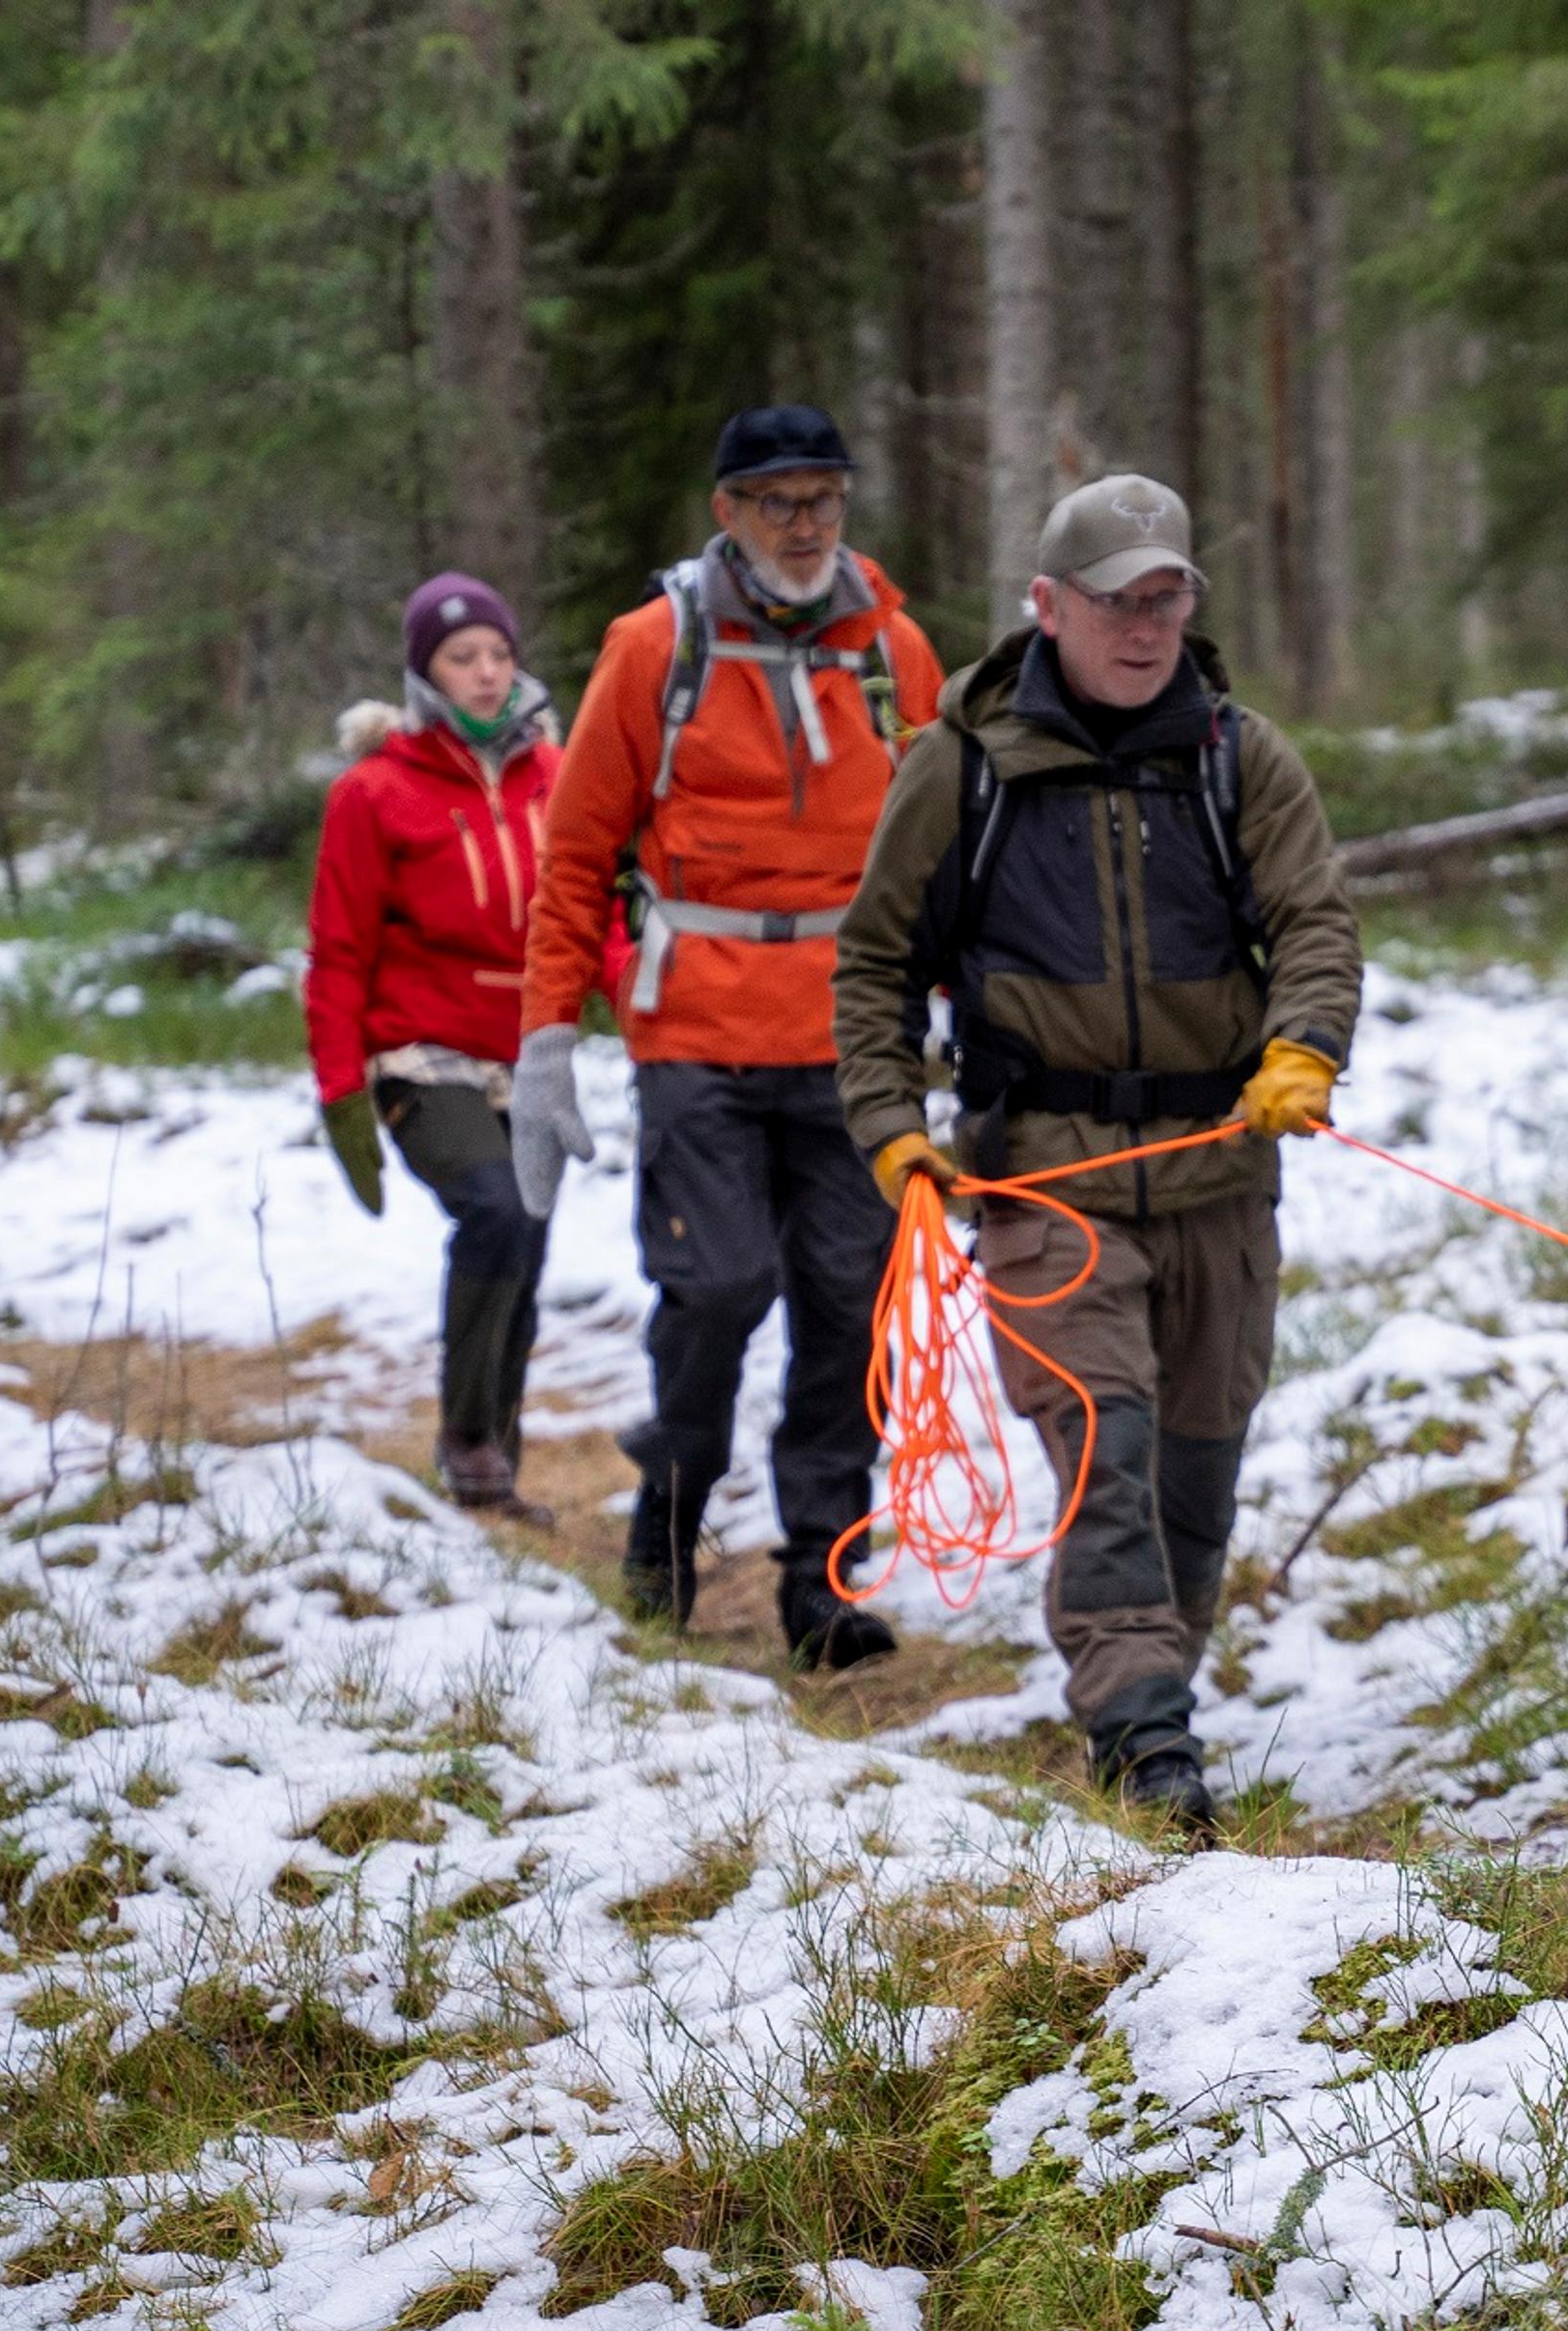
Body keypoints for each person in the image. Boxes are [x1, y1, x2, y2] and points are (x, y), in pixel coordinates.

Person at [833, 474, 1361, 1831]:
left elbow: (1315, 923)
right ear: (1047, 606)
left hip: (1222, 1170)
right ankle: (1141, 1734)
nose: (1144, 624)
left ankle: (1155, 1679)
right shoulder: (962, 766)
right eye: (1117, 599)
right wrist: (895, 1130)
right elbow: (877, 962)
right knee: (1101, 1444)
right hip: (1041, 1170)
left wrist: (1303, 1043)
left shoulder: (1245, 756)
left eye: (1166, 595)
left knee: (1197, 1457)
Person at [511, 405, 944, 1667]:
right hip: (696, 1019)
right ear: (728, 513)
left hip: (856, 1027)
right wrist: (547, 1038)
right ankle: (670, 1513)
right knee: (715, 1285)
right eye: (777, 502)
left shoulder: (892, 647)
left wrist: (973, 1012)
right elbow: (578, 852)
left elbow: (937, 851)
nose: (805, 525)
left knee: (847, 1304)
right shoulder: (657, 648)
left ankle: (822, 1575)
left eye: (824, 499)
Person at [306, 573, 565, 1516]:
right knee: (494, 1209)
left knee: (528, 1245)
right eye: (464, 658)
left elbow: (593, 912)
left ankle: (493, 1461)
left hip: (532, 1053)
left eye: (500, 653)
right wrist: (342, 1092)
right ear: (425, 674)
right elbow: (337, 952)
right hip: (421, 1052)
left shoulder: (556, 774)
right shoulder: (374, 792)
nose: (489, 673)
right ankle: (466, 1436)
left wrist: (640, 991)